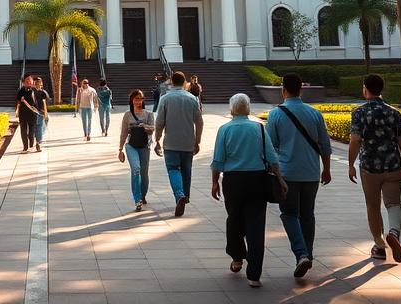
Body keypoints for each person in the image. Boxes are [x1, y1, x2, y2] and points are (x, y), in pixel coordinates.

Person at [211, 93, 286, 288]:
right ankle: (254, 274)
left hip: (233, 181)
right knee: (256, 225)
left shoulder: (225, 129)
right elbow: (272, 158)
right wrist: (280, 179)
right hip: (257, 180)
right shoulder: (259, 129)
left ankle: (237, 257)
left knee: (234, 220)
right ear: (248, 108)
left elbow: (218, 159)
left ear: (231, 109)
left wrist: (214, 182)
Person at [266, 73, 333, 279]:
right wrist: (326, 169)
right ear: (301, 89)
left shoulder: (275, 115)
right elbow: (325, 145)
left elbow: (270, 148)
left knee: (289, 214)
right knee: (307, 214)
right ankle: (308, 255)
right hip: (311, 172)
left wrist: (272, 173)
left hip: (287, 173)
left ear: (283, 89)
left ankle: (301, 253)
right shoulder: (314, 113)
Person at [347, 73, 401, 264]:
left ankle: (379, 246)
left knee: (373, 205)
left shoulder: (359, 113)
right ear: (381, 89)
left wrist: (350, 164)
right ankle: (393, 232)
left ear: (365, 88)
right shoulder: (394, 112)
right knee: (393, 203)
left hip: (369, 167)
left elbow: (355, 140)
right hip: (393, 165)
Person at [155, 69, 203, 216]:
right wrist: (197, 141)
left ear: (171, 82)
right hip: (188, 141)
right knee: (186, 170)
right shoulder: (192, 99)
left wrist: (157, 139)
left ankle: (179, 195)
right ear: (184, 83)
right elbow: (199, 122)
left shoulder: (165, 98)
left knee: (173, 169)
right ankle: (185, 196)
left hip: (170, 142)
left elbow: (159, 122)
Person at [118, 89, 155, 211]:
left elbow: (153, 129)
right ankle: (137, 199)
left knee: (144, 173)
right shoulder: (127, 115)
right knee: (136, 169)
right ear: (132, 100)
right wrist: (120, 148)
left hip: (144, 146)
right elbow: (124, 132)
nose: (139, 101)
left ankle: (143, 195)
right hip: (131, 146)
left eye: (141, 99)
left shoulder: (148, 114)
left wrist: (145, 126)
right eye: (136, 99)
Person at [15, 76, 40, 152]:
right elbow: (18, 101)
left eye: (30, 80)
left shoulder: (35, 90)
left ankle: (31, 145)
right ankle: (25, 147)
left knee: (32, 130)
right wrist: (17, 110)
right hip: (23, 114)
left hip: (33, 114)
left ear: (33, 82)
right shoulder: (20, 91)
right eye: (27, 81)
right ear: (23, 83)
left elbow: (38, 101)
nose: (29, 82)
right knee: (23, 130)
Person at [32, 76, 50, 146]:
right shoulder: (33, 92)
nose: (38, 84)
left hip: (40, 111)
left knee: (39, 125)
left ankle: (38, 139)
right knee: (38, 126)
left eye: (39, 82)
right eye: (37, 82)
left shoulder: (43, 92)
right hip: (36, 111)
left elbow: (46, 102)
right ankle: (38, 140)